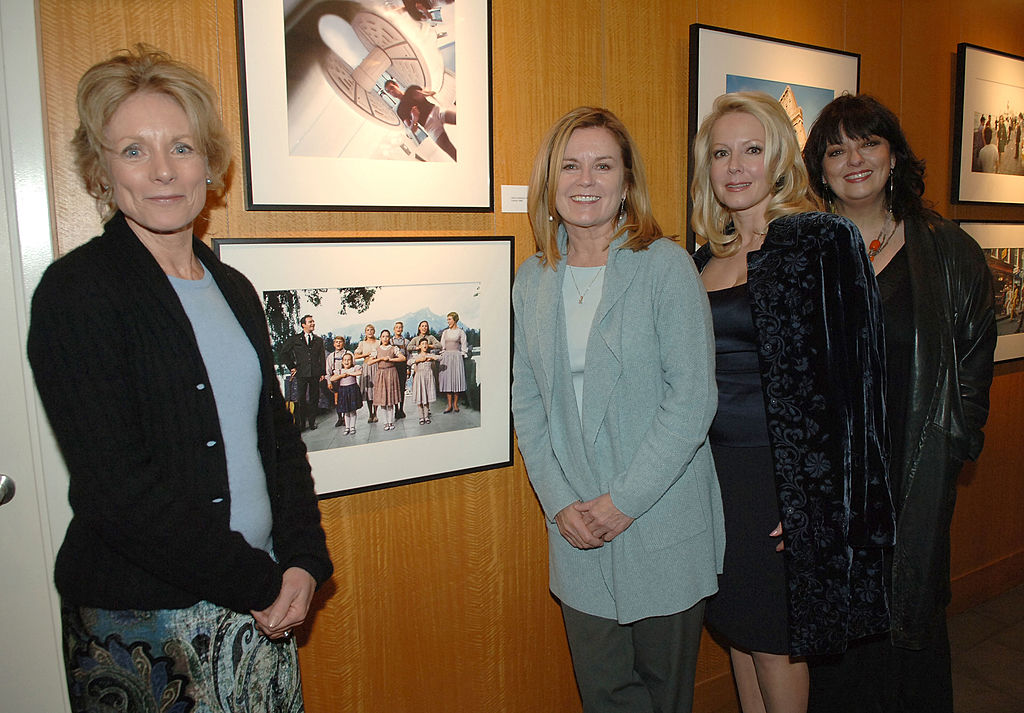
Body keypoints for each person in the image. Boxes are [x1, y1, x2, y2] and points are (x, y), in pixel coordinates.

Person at [25, 45, 332, 713]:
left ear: (210, 163)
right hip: (142, 624)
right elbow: (117, 488)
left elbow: (277, 440)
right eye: (134, 149)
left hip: (261, 604)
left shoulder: (235, 288)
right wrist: (261, 578)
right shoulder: (76, 294)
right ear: (102, 168)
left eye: (182, 147)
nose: (162, 170)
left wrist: (305, 560)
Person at [512, 106, 724, 713]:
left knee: (664, 696)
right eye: (570, 166)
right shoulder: (534, 279)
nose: (586, 180)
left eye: (603, 165)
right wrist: (559, 505)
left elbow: (692, 399)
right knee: (605, 695)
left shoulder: (665, 266)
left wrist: (622, 503)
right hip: (577, 528)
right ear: (550, 185)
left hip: (662, 523)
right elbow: (527, 401)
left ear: (626, 181)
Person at [690, 91, 895, 713]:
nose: (736, 166)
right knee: (743, 634)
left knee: (778, 641)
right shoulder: (703, 256)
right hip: (712, 474)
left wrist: (816, 497)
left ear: (778, 156)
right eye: (721, 152)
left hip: (779, 479)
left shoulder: (820, 240)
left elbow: (859, 384)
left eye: (752, 149)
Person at [803, 93, 996, 713]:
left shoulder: (947, 249)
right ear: (821, 168)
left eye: (869, 143)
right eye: (836, 149)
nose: (853, 159)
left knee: (910, 622)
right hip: (831, 475)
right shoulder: (803, 249)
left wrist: (956, 441)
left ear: (894, 156)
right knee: (838, 629)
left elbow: (974, 354)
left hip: (914, 466)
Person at [383, 79, 457, 161]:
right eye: (388, 91)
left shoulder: (411, 89)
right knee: (452, 152)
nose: (391, 91)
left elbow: (431, 93)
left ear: (396, 85)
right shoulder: (400, 110)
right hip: (430, 127)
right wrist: (414, 119)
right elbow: (412, 129)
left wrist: (422, 94)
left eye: (391, 87)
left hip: (436, 112)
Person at [278, 314, 327, 430]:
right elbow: (284, 353)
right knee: (301, 399)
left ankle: (312, 422)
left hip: (315, 373)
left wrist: (322, 373)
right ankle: (301, 424)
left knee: (314, 398)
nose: (313, 323)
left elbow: (322, 358)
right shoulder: (295, 339)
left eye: (313, 321)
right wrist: (292, 367)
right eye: (310, 322)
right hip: (301, 373)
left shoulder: (318, 340)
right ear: (303, 325)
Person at [367, 329, 405, 431]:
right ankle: (385, 422)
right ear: (380, 337)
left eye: (387, 336)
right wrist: (379, 359)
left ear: (389, 338)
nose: (385, 338)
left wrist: (390, 359)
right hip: (381, 374)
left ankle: (390, 421)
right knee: (383, 399)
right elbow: (369, 362)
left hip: (391, 373)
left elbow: (402, 358)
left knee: (391, 399)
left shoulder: (393, 348)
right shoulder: (377, 349)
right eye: (383, 336)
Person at [438, 311, 468, 413]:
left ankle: (455, 404)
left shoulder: (460, 332)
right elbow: (442, 346)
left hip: (456, 357)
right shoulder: (445, 332)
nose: (448, 321)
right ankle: (449, 405)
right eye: (447, 319)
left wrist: (462, 354)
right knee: (448, 380)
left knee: (456, 380)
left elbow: (464, 346)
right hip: (446, 357)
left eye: (449, 319)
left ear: (455, 320)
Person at [329, 352, 363, 435]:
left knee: (352, 410)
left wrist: (349, 373)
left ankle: (352, 427)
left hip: (352, 390)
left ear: (352, 361)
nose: (347, 362)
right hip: (343, 391)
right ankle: (347, 427)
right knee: (346, 411)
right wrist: (342, 375)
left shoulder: (354, 368)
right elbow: (332, 378)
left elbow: (359, 373)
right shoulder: (339, 371)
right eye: (345, 360)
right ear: (342, 362)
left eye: (349, 360)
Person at [353, 323, 380, 423]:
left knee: (376, 390)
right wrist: (367, 354)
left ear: (374, 331)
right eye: (368, 330)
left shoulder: (378, 342)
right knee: (368, 391)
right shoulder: (362, 344)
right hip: (367, 367)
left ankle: (376, 413)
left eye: (371, 330)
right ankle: (370, 413)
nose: (370, 332)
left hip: (377, 366)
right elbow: (355, 356)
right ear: (365, 332)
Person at [408, 338, 439, 424]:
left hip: (428, 378)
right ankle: (421, 417)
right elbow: (409, 362)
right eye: (422, 344)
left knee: (427, 397)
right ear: (419, 346)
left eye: (426, 344)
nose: (424, 345)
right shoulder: (417, 356)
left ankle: (426, 416)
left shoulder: (430, 355)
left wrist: (432, 358)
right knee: (420, 397)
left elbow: (440, 358)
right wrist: (418, 360)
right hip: (419, 378)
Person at [325, 336, 354, 427]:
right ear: (334, 344)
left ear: (343, 343)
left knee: (347, 399)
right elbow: (328, 371)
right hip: (336, 380)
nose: (338, 344)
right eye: (336, 342)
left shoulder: (348, 353)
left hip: (346, 379)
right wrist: (329, 382)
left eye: (340, 342)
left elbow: (354, 366)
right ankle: (339, 418)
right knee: (337, 400)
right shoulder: (331, 356)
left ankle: (347, 418)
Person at [392, 320, 409, 419]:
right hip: (393, 367)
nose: (398, 329)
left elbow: (409, 356)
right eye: (397, 327)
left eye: (400, 327)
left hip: (402, 366)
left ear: (402, 329)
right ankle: (395, 409)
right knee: (394, 389)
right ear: (394, 329)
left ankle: (401, 409)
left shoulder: (406, 341)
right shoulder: (390, 341)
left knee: (402, 388)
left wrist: (408, 368)